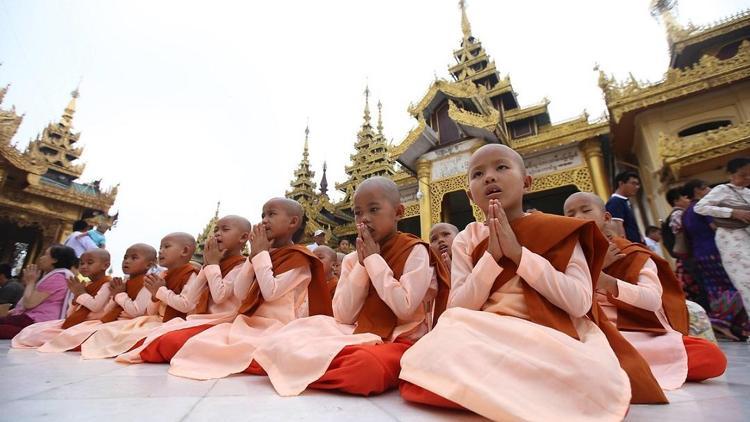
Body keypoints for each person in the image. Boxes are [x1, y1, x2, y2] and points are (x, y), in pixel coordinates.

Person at [398, 145, 661, 420]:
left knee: (593, 376)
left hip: (549, 333)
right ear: (469, 194)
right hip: (486, 330)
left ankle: (491, 390)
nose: (489, 177)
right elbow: (458, 307)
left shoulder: (560, 230)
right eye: (478, 174)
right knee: (440, 340)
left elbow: (579, 301)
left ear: (526, 183)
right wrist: (491, 257)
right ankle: (517, 390)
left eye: (501, 167)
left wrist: (519, 255)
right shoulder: (468, 238)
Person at [246, 177, 450, 397]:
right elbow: (343, 315)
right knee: (296, 333)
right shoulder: (354, 259)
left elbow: (404, 308)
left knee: (365, 367)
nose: (364, 219)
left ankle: (304, 366)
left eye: (373, 210)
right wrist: (363, 264)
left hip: (398, 339)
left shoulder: (415, 250)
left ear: (398, 212)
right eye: (357, 213)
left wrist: (374, 261)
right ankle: (305, 364)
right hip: (357, 332)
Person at [564, 192, 726, 390]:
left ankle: (613, 371)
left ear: (606, 217)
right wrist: (593, 268)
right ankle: (614, 369)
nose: (577, 217)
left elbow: (651, 300)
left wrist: (604, 280)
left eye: (586, 210)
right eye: (569, 215)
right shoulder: (567, 256)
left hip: (635, 332)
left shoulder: (630, 253)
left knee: (711, 357)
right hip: (591, 332)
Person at [167, 198, 332, 380]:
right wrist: (254, 256)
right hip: (250, 322)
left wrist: (260, 254)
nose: (264, 220)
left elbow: (271, 292)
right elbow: (241, 292)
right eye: (263, 215)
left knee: (231, 352)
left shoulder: (299, 258)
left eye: (271, 214)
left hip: (280, 325)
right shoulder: (262, 253)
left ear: (293, 222)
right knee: (197, 345)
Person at [119, 216, 251, 364]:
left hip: (222, 321)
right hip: (197, 319)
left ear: (244, 237)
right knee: (154, 337)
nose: (217, 234)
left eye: (225, 230)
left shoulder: (242, 266)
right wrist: (208, 265)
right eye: (215, 230)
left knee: (168, 342)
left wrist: (212, 264)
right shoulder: (207, 266)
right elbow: (191, 299)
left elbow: (219, 296)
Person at [80, 233, 201, 359]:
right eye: (160, 247)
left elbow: (186, 305)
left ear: (185, 250)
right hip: (155, 319)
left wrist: (160, 291)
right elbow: (150, 311)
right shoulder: (162, 276)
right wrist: (155, 297)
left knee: (131, 335)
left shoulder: (191, 275)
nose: (160, 251)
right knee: (109, 331)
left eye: (166, 247)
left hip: (178, 321)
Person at [37, 243, 157, 353]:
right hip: (108, 321)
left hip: (129, 323)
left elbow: (137, 311)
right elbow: (108, 310)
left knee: (75, 336)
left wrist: (118, 295)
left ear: (149, 264)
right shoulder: (122, 283)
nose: (127, 261)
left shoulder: (147, 282)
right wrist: (76, 297)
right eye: (125, 257)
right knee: (39, 330)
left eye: (134, 258)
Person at [682, 179, 748, 340]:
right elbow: (715, 227)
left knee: (715, 289)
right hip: (716, 251)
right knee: (735, 285)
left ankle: (727, 324)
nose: (710, 189)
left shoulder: (686, 212)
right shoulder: (705, 209)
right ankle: (723, 321)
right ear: (697, 190)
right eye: (706, 187)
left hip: (700, 255)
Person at [12, 249, 111, 348]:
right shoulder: (86, 284)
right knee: (34, 330)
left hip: (91, 324)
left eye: (90, 262)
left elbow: (95, 306)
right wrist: (76, 297)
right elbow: (72, 311)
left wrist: (80, 293)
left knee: (38, 336)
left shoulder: (107, 284)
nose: (84, 266)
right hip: (77, 322)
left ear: (105, 266)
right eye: (81, 263)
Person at [694, 157, 750, 314]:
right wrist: (732, 212)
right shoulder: (722, 190)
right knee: (745, 282)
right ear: (731, 175)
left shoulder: (747, 192)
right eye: (743, 175)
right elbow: (700, 207)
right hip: (730, 239)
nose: (747, 178)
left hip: (746, 237)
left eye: (749, 175)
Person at [0, 245, 78, 338]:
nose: (41, 258)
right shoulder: (60, 275)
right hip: (36, 320)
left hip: (37, 322)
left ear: (55, 260)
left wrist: (31, 282)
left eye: (45, 255)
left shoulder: (57, 277)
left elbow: (29, 303)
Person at [606, 170, 643, 243]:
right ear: (621, 183)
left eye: (638, 184)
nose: (637, 187)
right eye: (633, 183)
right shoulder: (615, 202)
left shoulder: (624, 201)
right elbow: (617, 228)